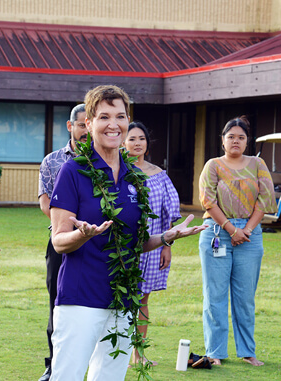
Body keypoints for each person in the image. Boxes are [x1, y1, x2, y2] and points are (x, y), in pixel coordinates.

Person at [49, 85, 205, 380]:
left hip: (122, 300)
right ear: (89, 123)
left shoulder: (135, 178)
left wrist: (167, 238)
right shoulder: (73, 171)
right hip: (80, 297)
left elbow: (136, 242)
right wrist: (82, 235)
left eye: (120, 116)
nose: (113, 124)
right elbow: (58, 241)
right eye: (104, 116)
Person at [198, 116, 277, 367]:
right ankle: (215, 352)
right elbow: (208, 201)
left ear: (247, 141)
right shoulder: (213, 165)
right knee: (215, 295)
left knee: (244, 297)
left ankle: (247, 351)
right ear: (222, 140)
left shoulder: (257, 164)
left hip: (250, 234)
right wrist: (232, 229)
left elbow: (264, 200)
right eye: (230, 136)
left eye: (241, 137)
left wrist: (247, 230)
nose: (235, 141)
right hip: (217, 232)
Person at [122, 121, 181, 365]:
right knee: (120, 299)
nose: (137, 143)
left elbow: (170, 214)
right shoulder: (117, 171)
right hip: (122, 247)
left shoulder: (159, 175)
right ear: (123, 143)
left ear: (147, 143)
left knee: (143, 300)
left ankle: (139, 354)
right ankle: (117, 353)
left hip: (153, 245)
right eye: (132, 138)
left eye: (141, 139)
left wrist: (166, 246)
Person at [37, 103, 87, 381]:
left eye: (89, 125)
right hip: (60, 242)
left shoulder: (106, 159)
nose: (85, 131)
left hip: (96, 241)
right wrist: (72, 224)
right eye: (81, 125)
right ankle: (53, 364)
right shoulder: (52, 161)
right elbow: (45, 203)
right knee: (57, 303)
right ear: (70, 126)